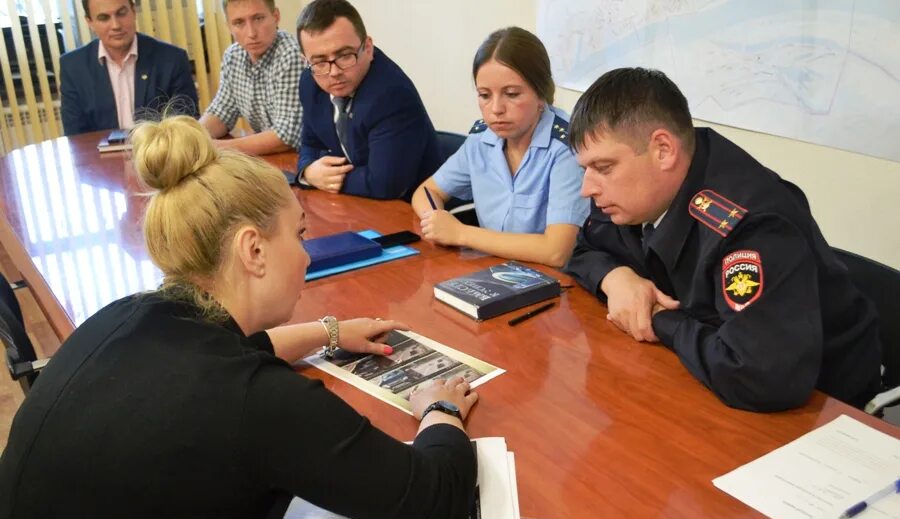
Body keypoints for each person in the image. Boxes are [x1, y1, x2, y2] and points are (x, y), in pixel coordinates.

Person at [0, 116, 478, 519]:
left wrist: (329, 331)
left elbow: (233, 351)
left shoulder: (127, 314)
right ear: (253, 250)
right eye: (300, 235)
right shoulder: (256, 399)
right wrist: (440, 408)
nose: (308, 256)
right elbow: (436, 496)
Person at [564, 67, 882, 412]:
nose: (587, 188)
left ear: (663, 150)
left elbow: (759, 376)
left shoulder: (750, 226)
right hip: (699, 375)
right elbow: (583, 249)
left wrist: (656, 317)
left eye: (604, 168)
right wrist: (618, 279)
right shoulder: (634, 196)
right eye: (585, 169)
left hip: (820, 407)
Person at [411, 27, 588, 268]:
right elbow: (427, 191)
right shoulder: (482, 139)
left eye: (512, 94)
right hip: (492, 271)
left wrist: (460, 233)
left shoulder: (567, 147)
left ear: (541, 93)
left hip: (556, 283)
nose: (496, 109)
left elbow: (556, 251)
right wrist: (436, 221)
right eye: (484, 95)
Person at [295, 0, 440, 200]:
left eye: (345, 55)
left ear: (368, 48)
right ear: (306, 61)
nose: (334, 72)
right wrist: (308, 172)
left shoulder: (391, 94)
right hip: (356, 203)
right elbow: (310, 144)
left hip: (409, 211)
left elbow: (384, 184)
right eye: (319, 61)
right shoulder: (310, 83)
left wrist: (326, 178)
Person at [60, 0, 198, 135]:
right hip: (98, 156)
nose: (115, 25)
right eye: (104, 18)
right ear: (90, 22)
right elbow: (76, 137)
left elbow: (185, 127)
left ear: (133, 11)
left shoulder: (171, 59)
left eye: (121, 13)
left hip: (159, 156)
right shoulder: (73, 67)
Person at [201, 0, 303, 155]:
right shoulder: (233, 56)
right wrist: (192, 138)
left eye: (258, 18)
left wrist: (215, 148)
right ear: (228, 26)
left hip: (304, 159)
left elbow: (286, 136)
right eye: (239, 23)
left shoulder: (290, 55)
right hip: (270, 158)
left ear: (276, 16)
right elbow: (221, 112)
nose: (251, 33)